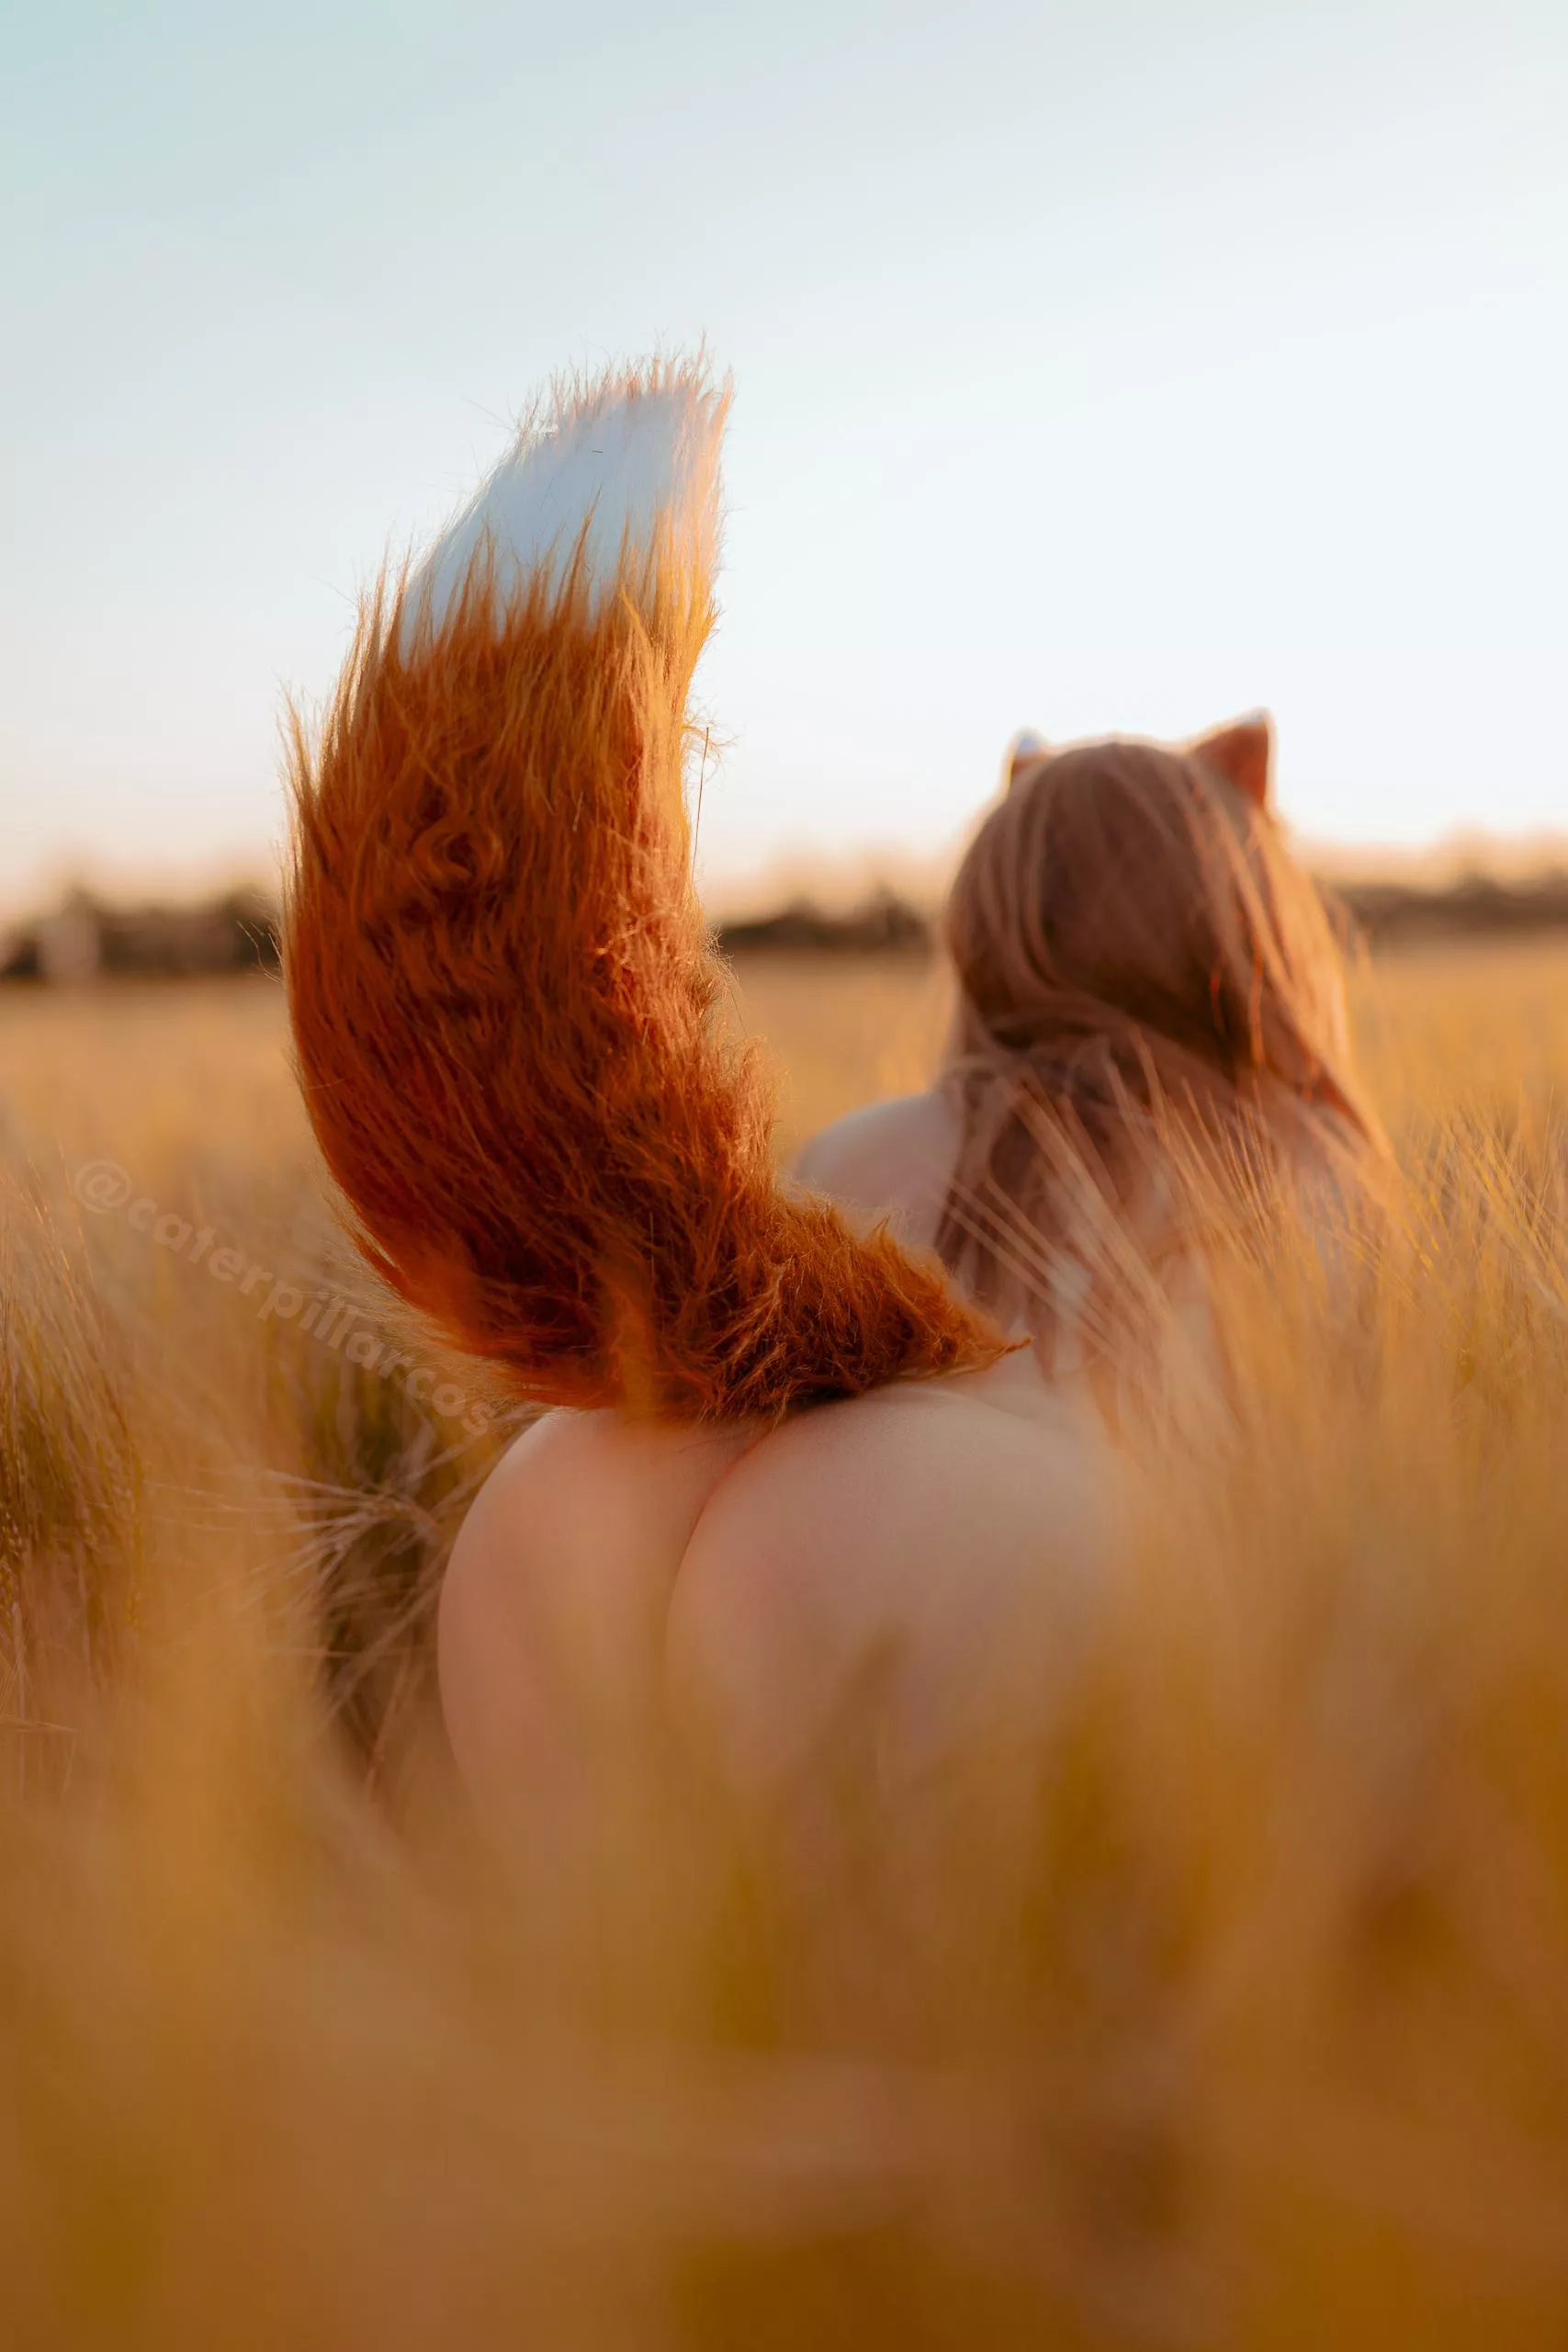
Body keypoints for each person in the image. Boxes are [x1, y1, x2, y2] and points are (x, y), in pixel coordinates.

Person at [283, 358, 1386, 1815]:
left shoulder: (875, 1147)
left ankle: (534, 631)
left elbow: (708, 1305)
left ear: (986, 922)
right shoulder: (1306, 1163)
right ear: (1245, 903)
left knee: (610, 2012)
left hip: (567, 1524)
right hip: (980, 1584)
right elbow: (1354, 1530)